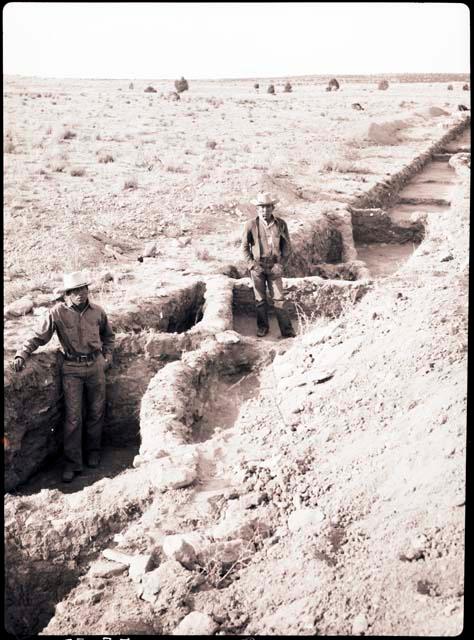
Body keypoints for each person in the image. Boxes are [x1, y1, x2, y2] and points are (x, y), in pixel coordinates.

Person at [13, 271, 115, 482]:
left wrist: (108, 356)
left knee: (97, 411)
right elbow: (37, 337)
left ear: (88, 290)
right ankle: (72, 463)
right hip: (71, 368)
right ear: (67, 294)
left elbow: (108, 336)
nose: (80, 294)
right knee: (73, 417)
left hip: (96, 366)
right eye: (74, 291)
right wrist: (22, 353)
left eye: (83, 289)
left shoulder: (98, 312)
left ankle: (93, 452)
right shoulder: (57, 313)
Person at [241, 192, 296, 338]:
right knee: (260, 300)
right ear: (257, 209)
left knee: (279, 300)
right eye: (261, 207)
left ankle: (287, 331)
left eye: (267, 207)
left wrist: (281, 264)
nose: (265, 210)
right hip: (258, 267)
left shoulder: (281, 224)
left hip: (274, 267)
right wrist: (252, 265)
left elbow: (287, 247)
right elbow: (245, 248)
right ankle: (263, 328)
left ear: (273, 208)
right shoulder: (250, 225)